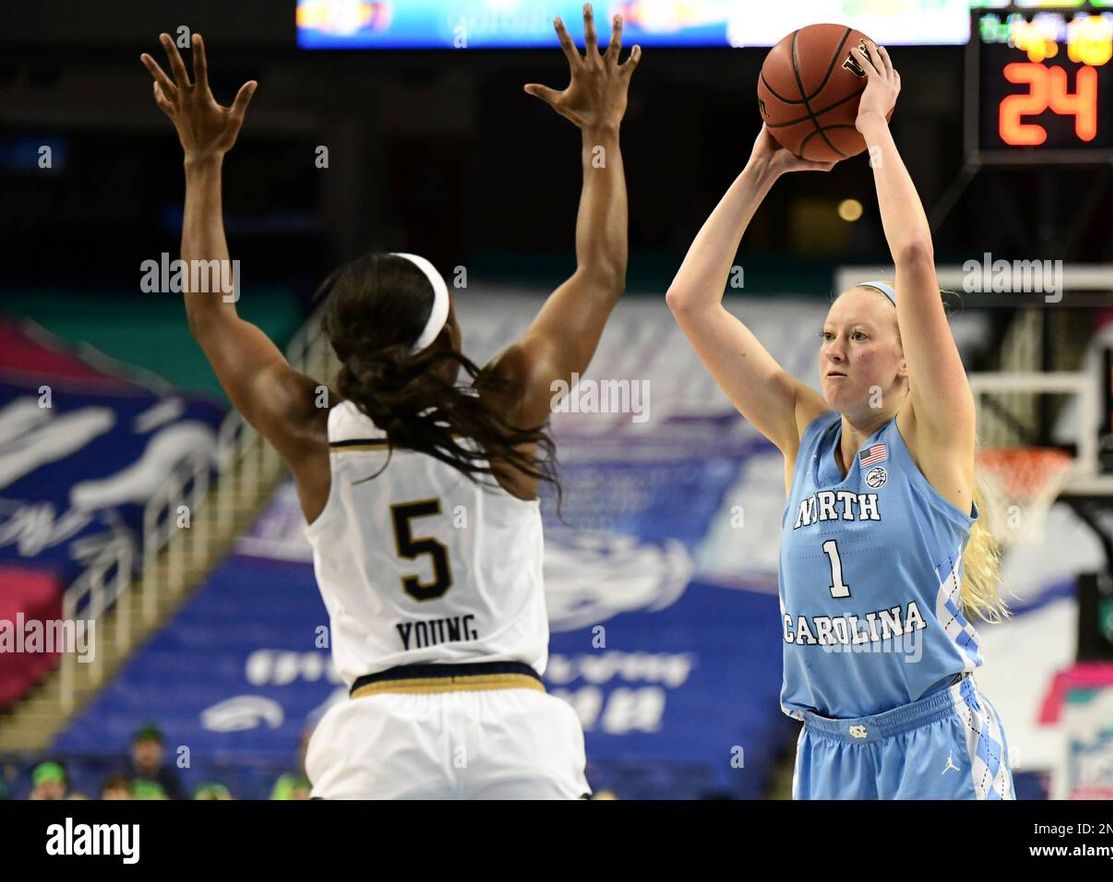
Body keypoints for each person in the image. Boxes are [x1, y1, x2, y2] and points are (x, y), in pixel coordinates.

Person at [139, 4, 639, 798]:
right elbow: (600, 273)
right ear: (447, 338)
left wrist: (203, 164)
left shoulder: (313, 432)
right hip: (513, 730)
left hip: (378, 743)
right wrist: (601, 131)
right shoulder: (504, 407)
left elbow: (209, 311)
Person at [667, 42, 1014, 799]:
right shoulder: (804, 432)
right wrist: (760, 168)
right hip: (828, 751)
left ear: (902, 363)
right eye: (829, 334)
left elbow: (915, 256)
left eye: (859, 337)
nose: (835, 350)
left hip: (934, 740)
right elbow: (690, 301)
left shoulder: (932, 436)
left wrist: (876, 130)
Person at [124, 722, 184, 800]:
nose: (147, 753)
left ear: (162, 750)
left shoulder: (170, 780)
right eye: (142, 746)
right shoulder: (123, 777)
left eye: (151, 747)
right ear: (133, 749)